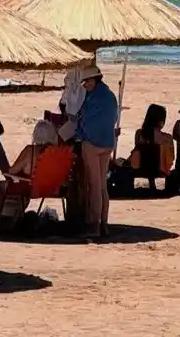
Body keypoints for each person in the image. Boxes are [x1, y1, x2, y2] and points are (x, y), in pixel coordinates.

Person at [74, 65, 118, 239]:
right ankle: (104, 225)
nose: (84, 85)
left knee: (94, 185)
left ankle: (94, 226)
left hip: (92, 142)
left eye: (86, 81)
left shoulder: (92, 98)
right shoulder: (110, 96)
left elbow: (83, 120)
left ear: (94, 79)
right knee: (102, 186)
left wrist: (78, 131)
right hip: (107, 142)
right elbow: (113, 119)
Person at [130, 104, 172, 191]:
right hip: (159, 170)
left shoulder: (139, 134)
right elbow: (171, 158)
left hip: (140, 168)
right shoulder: (166, 138)